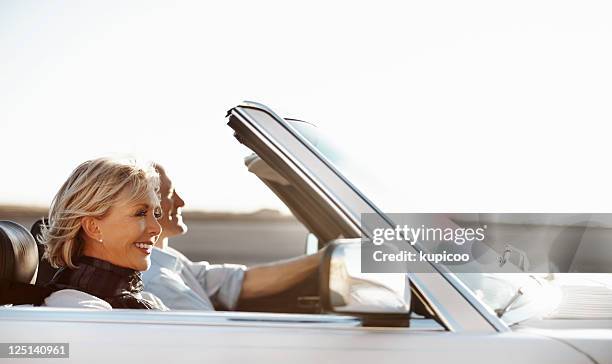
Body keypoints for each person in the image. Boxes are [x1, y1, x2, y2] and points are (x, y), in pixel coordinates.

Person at [141, 165, 322, 310]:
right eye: (170, 194)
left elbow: (235, 281)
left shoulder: (169, 260)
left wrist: (322, 258)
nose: (181, 202)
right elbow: (210, 336)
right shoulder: (156, 281)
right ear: (142, 207)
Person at [41, 157, 168, 310]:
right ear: (93, 227)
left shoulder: (144, 300)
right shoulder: (76, 308)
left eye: (156, 214)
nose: (157, 228)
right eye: (140, 213)